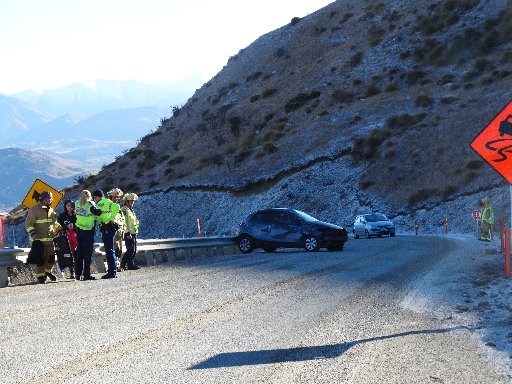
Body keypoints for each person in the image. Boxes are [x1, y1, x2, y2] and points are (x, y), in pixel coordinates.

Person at [25, 191, 62, 283]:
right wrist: (32, 232)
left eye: (51, 199)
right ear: (43, 199)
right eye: (48, 199)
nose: (50, 200)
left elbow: (54, 223)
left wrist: (60, 229)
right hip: (38, 240)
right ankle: (41, 277)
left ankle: (47, 272)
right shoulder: (34, 209)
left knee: (51, 258)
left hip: (49, 239)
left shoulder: (51, 210)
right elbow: (28, 223)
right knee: (40, 259)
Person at [75, 190, 102, 280]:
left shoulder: (77, 203)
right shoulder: (90, 205)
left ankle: (77, 274)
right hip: (88, 231)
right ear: (89, 196)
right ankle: (86, 274)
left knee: (80, 253)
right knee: (87, 254)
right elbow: (98, 212)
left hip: (79, 230)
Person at [92, 189, 118, 279]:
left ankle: (112, 272)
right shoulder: (106, 202)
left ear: (97, 197)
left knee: (109, 250)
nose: (94, 199)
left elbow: (116, 207)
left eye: (94, 197)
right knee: (110, 250)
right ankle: (113, 270)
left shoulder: (102, 202)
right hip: (107, 228)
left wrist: (111, 219)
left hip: (107, 228)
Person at [56, 199, 77, 279]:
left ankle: (77, 271)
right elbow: (58, 225)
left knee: (76, 254)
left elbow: (80, 224)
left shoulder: (76, 215)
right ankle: (71, 272)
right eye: (68, 205)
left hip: (75, 238)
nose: (70, 207)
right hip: (65, 238)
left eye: (71, 205)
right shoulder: (62, 215)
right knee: (68, 255)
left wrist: (73, 227)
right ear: (65, 206)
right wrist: (66, 227)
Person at [107, 188, 125, 271]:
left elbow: (122, 219)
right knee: (115, 249)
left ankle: (118, 264)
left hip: (120, 232)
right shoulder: (108, 207)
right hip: (112, 231)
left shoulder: (119, 208)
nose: (117, 199)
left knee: (119, 250)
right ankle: (115, 265)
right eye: (115, 197)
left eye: (118, 197)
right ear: (110, 197)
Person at [121, 193, 140, 270]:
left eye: (133, 201)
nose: (132, 203)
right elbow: (125, 222)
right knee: (130, 250)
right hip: (128, 233)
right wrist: (127, 232)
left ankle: (130, 264)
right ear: (126, 201)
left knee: (134, 250)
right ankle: (123, 264)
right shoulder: (124, 210)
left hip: (134, 232)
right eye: (131, 201)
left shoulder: (131, 210)